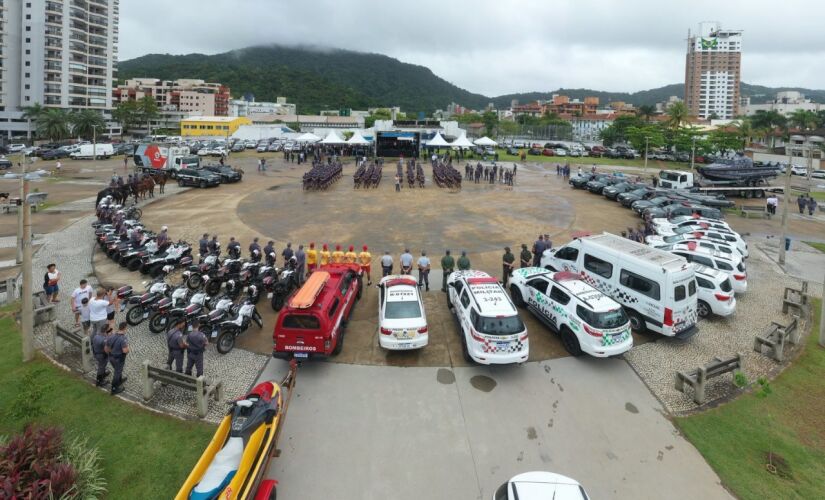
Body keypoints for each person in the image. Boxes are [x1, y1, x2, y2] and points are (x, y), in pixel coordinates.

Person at [105, 322, 129, 395]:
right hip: (119, 358)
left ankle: (119, 380)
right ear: (124, 328)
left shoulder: (111, 336)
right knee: (117, 372)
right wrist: (128, 349)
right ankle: (114, 388)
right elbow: (125, 351)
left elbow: (106, 348)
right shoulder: (123, 339)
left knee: (118, 370)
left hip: (111, 357)